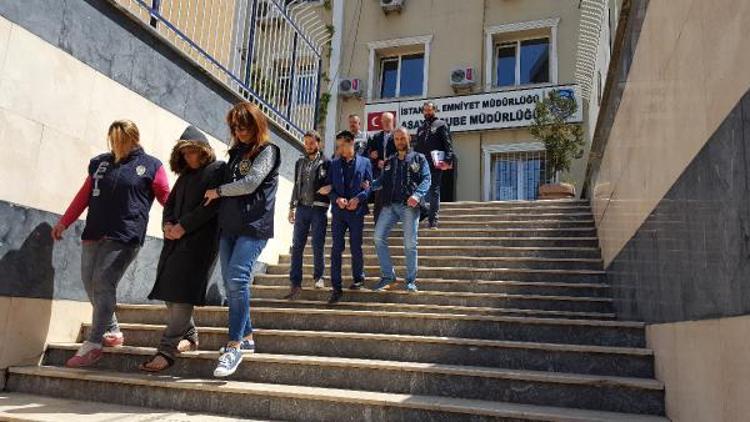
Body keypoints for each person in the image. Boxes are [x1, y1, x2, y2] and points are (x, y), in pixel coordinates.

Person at [52, 120, 170, 368]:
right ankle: (113, 330)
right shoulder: (99, 163)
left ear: (133, 138)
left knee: (103, 282)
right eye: (113, 139)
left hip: (125, 234)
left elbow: (166, 199)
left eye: (121, 140)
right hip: (95, 231)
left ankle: (94, 344)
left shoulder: (151, 166)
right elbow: (84, 194)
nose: (116, 145)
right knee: (89, 282)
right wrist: (64, 222)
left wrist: (181, 222)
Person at [203, 102, 281, 378]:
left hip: (253, 226)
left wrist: (219, 191)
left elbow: (250, 183)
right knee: (229, 284)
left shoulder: (268, 151)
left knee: (237, 280)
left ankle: (233, 346)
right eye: (235, 126)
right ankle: (247, 336)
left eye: (244, 126)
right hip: (229, 227)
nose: (239, 131)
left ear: (257, 125)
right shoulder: (234, 153)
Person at [139, 126, 225, 372]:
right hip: (175, 242)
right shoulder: (185, 176)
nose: (188, 157)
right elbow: (170, 204)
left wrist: (183, 227)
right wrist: (167, 224)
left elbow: (211, 207)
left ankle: (166, 351)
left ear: (203, 151)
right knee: (169, 292)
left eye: (192, 152)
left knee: (183, 295)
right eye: (184, 153)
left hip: (200, 244)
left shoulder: (217, 170)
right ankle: (191, 336)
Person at [372, 128, 431, 293]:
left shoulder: (419, 158)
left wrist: (417, 195)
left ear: (408, 139)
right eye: (397, 139)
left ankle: (411, 281)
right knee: (377, 237)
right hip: (390, 205)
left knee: (410, 244)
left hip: (409, 206)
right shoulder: (390, 161)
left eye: (402, 138)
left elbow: (427, 178)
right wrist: (370, 184)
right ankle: (388, 276)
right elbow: (381, 181)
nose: (399, 141)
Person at [284, 130, 331, 300]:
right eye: (306, 142)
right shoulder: (300, 163)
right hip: (302, 208)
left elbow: (333, 183)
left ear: (318, 143)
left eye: (311, 142)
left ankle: (319, 277)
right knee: (297, 246)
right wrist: (291, 207)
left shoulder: (327, 162)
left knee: (317, 244)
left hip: (318, 208)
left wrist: (330, 188)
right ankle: (295, 282)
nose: (308, 146)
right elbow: (296, 186)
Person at [328, 130, 372, 304]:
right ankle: (336, 287)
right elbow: (329, 188)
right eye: (338, 146)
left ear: (351, 143)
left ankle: (358, 278)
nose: (339, 149)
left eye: (341, 146)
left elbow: (369, 187)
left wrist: (359, 199)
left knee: (356, 247)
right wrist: (336, 199)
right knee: (336, 249)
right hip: (339, 213)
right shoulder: (333, 163)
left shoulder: (366, 162)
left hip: (357, 212)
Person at [413, 101, 454, 229]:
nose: (427, 112)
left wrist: (447, 161)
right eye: (425, 110)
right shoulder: (420, 129)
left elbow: (448, 145)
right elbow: (417, 148)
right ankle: (424, 211)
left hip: (436, 164)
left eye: (429, 110)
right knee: (416, 189)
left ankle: (433, 221)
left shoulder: (441, 125)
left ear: (435, 110)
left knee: (434, 191)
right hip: (421, 165)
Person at [366, 112, 397, 223]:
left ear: (393, 121)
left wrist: (388, 161)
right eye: (384, 121)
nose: (386, 123)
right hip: (379, 173)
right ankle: (377, 224)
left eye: (388, 121)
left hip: (394, 172)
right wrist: (374, 158)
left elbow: (401, 152)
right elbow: (369, 153)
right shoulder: (376, 137)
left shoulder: (398, 136)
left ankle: (392, 223)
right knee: (378, 200)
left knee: (392, 199)